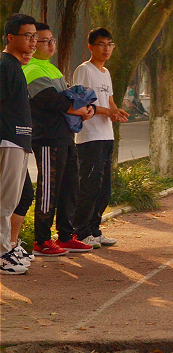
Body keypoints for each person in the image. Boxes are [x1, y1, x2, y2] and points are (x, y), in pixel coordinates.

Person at [24, 23, 96, 256]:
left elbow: (69, 97)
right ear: (32, 44)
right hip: (47, 139)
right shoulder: (32, 69)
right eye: (44, 41)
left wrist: (88, 108)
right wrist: (81, 109)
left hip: (65, 136)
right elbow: (53, 101)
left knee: (69, 187)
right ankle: (42, 240)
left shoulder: (52, 69)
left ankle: (65, 236)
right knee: (49, 189)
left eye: (51, 40)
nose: (50, 44)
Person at [72, 27, 129, 248]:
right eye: (101, 44)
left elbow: (110, 100)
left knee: (104, 189)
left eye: (109, 44)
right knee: (89, 186)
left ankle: (95, 230)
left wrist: (116, 112)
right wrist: (107, 111)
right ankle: (80, 232)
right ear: (91, 47)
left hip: (106, 135)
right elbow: (81, 102)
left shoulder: (106, 73)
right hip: (89, 137)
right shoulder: (84, 70)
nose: (106, 49)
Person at [1, 14, 37, 274]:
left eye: (35, 36)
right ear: (11, 37)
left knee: (12, 200)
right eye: (28, 36)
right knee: (5, 202)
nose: (33, 41)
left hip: (18, 141)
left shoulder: (14, 66)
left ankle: (6, 248)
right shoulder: (5, 66)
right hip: (8, 141)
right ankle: (3, 253)